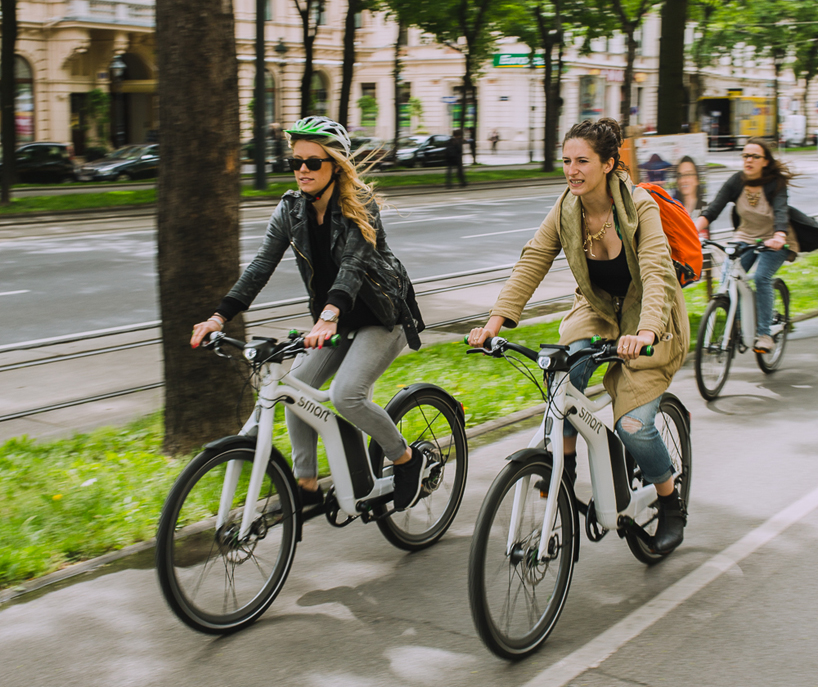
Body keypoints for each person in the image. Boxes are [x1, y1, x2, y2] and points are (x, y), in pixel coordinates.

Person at [468, 118, 690, 555]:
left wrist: (645, 331)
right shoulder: (567, 207)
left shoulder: (639, 206)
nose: (571, 169)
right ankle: (563, 467)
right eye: (566, 159)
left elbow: (657, 272)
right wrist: (495, 322)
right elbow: (533, 260)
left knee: (632, 425)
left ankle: (670, 501)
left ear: (608, 164)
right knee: (561, 372)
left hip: (649, 313)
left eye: (582, 161)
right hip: (597, 308)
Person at [190, 116, 427, 511]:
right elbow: (259, 268)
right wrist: (218, 317)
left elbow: (352, 265)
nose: (302, 170)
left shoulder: (360, 206)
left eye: (313, 162)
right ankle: (307, 486)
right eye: (296, 162)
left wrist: (330, 313)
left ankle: (405, 458)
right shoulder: (290, 211)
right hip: (332, 320)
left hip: (383, 316)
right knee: (294, 392)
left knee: (346, 395)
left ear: (335, 165)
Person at [694, 137, 797, 354]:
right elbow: (712, 210)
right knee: (729, 279)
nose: (748, 160)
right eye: (745, 156)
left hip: (775, 239)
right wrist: (691, 232)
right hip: (745, 237)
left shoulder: (775, 183)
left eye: (754, 156)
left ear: (765, 161)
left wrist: (779, 235)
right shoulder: (736, 181)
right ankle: (739, 324)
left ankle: (764, 334)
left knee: (761, 278)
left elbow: (781, 211)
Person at [672, 155, 708, 237]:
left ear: (697, 179)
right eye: (680, 175)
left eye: (688, 174)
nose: (683, 180)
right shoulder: (674, 210)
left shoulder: (705, 209)